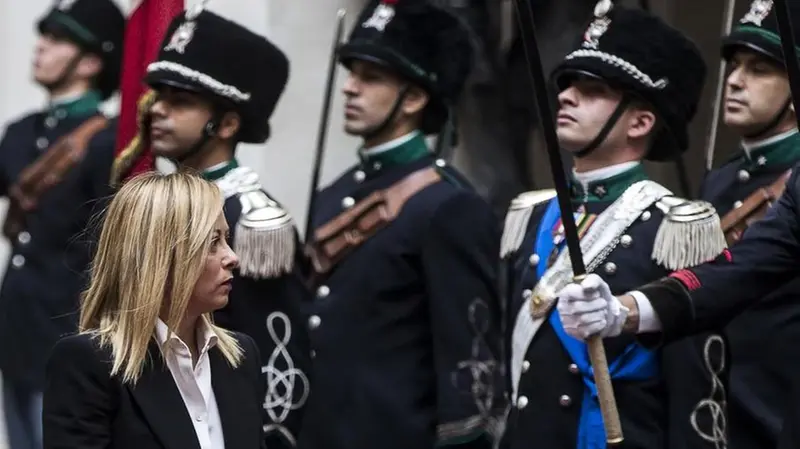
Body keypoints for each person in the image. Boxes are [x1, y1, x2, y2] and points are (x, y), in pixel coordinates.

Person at [498, 3, 723, 449]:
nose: (565, 96)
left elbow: (695, 390)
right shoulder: (532, 216)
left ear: (640, 122)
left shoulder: (676, 230)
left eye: (592, 89)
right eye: (567, 86)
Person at [299, 1, 505, 448]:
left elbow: (468, 358)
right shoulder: (332, 196)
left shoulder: (448, 205)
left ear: (413, 98)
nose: (350, 89)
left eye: (370, 77)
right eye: (352, 73)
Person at [130, 7, 311, 448]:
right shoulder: (152, 204)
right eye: (160, 95)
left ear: (227, 124)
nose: (158, 110)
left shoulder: (252, 223)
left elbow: (277, 360)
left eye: (182, 101)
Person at [41, 171, 266, 449]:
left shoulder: (241, 357)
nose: (232, 257)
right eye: (212, 243)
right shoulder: (88, 364)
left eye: (227, 239)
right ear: (160, 256)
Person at [664, 2, 800, 448]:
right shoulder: (720, 179)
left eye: (760, 69)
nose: (736, 80)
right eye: (735, 65)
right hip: (706, 419)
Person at [0, 1, 124, 448]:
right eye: (44, 37)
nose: (40, 48)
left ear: (90, 62)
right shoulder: (19, 132)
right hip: (14, 329)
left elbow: (110, 245)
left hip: (66, 332)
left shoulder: (109, 143)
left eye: (58, 40)